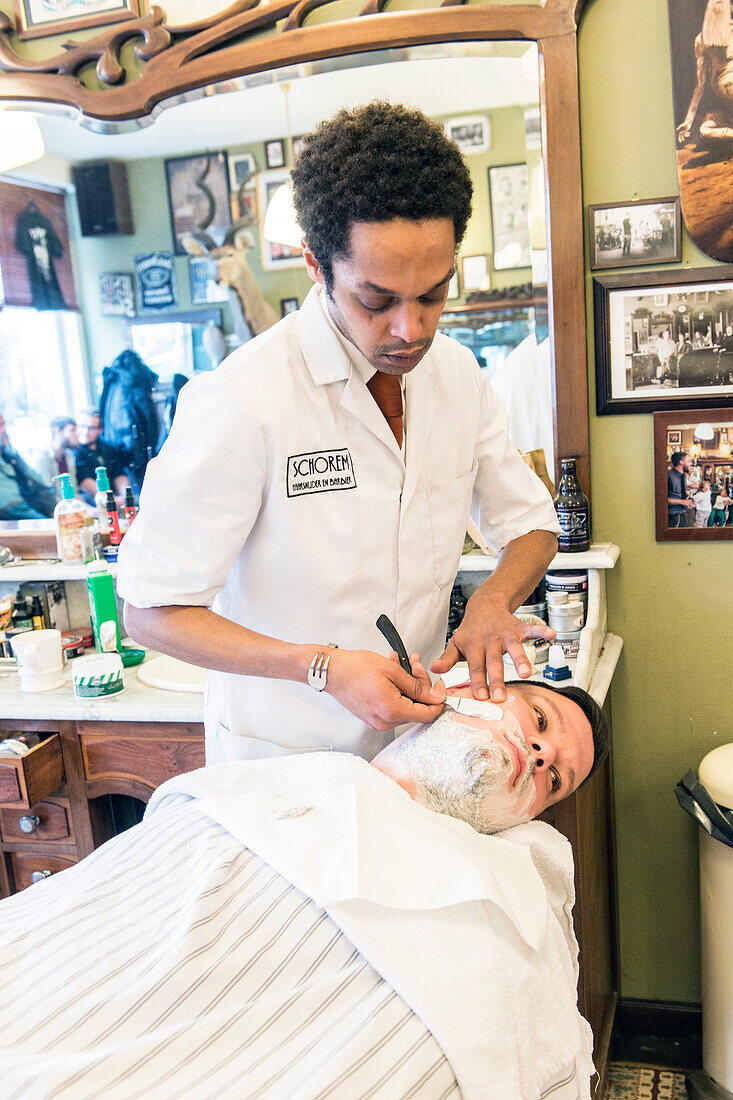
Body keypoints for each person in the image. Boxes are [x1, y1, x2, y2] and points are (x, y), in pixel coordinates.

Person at [118, 101, 560, 765]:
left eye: (434, 294)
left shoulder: (457, 376)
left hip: (412, 750)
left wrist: (492, 602)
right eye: (376, 300)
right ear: (316, 267)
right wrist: (320, 667)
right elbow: (149, 611)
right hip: (283, 766)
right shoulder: (242, 398)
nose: (411, 329)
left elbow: (530, 524)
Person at [0, 679, 606, 1098]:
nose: (542, 753)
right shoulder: (273, 794)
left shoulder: (496, 903)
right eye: (542, 721)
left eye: (555, 778)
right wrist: (319, 664)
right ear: (477, 691)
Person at [0, 413, 56, 520]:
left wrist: (54, 511)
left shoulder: (9, 454)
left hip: (33, 508)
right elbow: (12, 506)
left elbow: (39, 483)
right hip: (16, 517)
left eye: (4, 425)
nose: (4, 430)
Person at [73, 408, 130, 507]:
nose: (85, 432)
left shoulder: (108, 447)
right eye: (81, 426)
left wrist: (126, 496)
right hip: (91, 500)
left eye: (91, 428)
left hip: (113, 496)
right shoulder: (73, 451)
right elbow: (85, 481)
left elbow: (119, 474)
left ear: (100, 430)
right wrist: (110, 499)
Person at [32, 414, 79, 493]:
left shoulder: (69, 456)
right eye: (72, 430)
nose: (77, 434)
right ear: (57, 431)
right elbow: (49, 495)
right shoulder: (42, 457)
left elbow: (74, 493)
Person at [667, 450, 696, 528]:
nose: (691, 463)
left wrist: (689, 498)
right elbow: (661, 499)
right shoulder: (668, 476)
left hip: (683, 513)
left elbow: (680, 492)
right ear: (681, 462)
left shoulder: (683, 476)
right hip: (672, 515)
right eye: (689, 461)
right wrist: (682, 502)